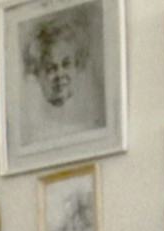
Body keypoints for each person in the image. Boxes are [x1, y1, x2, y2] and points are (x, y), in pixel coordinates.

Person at [19, 9, 104, 144]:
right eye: (50, 68)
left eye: (66, 64)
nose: (59, 74)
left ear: (77, 65)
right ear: (36, 73)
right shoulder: (32, 131)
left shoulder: (93, 119)